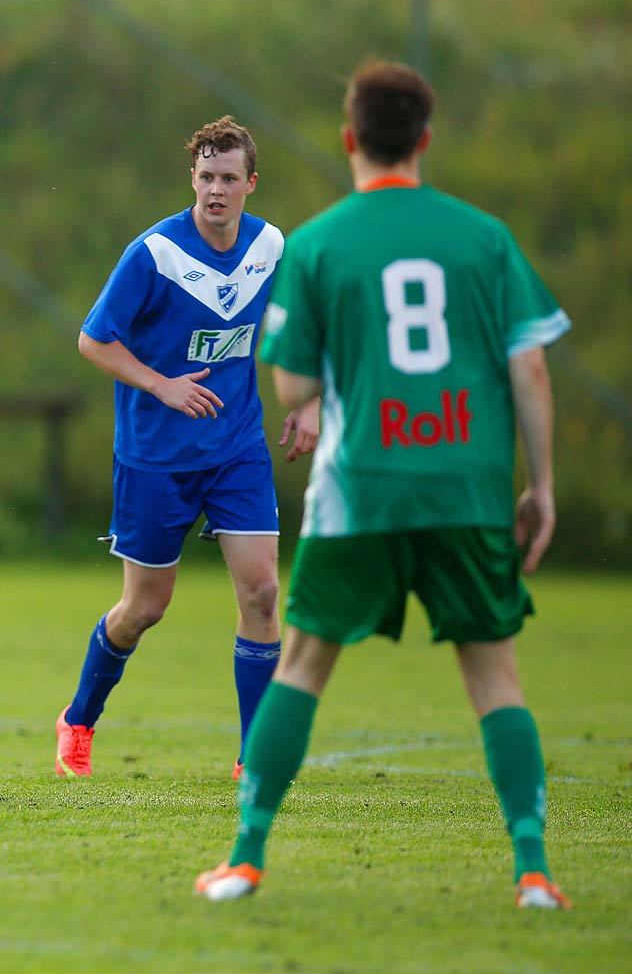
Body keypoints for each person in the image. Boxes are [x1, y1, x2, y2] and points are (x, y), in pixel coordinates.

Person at [196, 62, 572, 909]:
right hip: (468, 490)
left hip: (361, 491)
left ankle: (247, 858)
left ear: (349, 140)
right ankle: (534, 870)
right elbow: (531, 371)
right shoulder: (484, 238)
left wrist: (333, 380)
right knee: (496, 679)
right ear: (426, 141)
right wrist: (541, 486)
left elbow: (290, 388)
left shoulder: (322, 242)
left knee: (301, 666)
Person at [59, 117, 320, 778]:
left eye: (229, 179)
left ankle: (252, 758)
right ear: (193, 180)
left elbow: (294, 329)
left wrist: (309, 399)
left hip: (236, 450)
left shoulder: (270, 246)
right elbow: (94, 339)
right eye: (206, 177)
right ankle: (79, 720)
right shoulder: (154, 254)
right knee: (144, 609)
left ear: (250, 184)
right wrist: (160, 385)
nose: (216, 190)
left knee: (262, 594)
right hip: (155, 455)